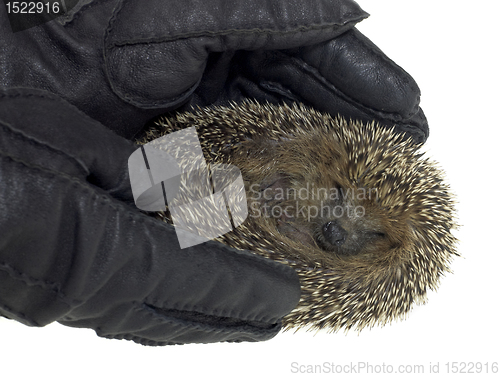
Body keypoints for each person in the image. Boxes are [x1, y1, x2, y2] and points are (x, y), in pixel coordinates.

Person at [0, 0, 428, 346]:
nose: (338, 232)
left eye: (370, 236)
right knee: (195, 175)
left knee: (186, 190)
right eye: (339, 198)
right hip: (205, 158)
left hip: (185, 179)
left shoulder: (342, 268)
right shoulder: (301, 148)